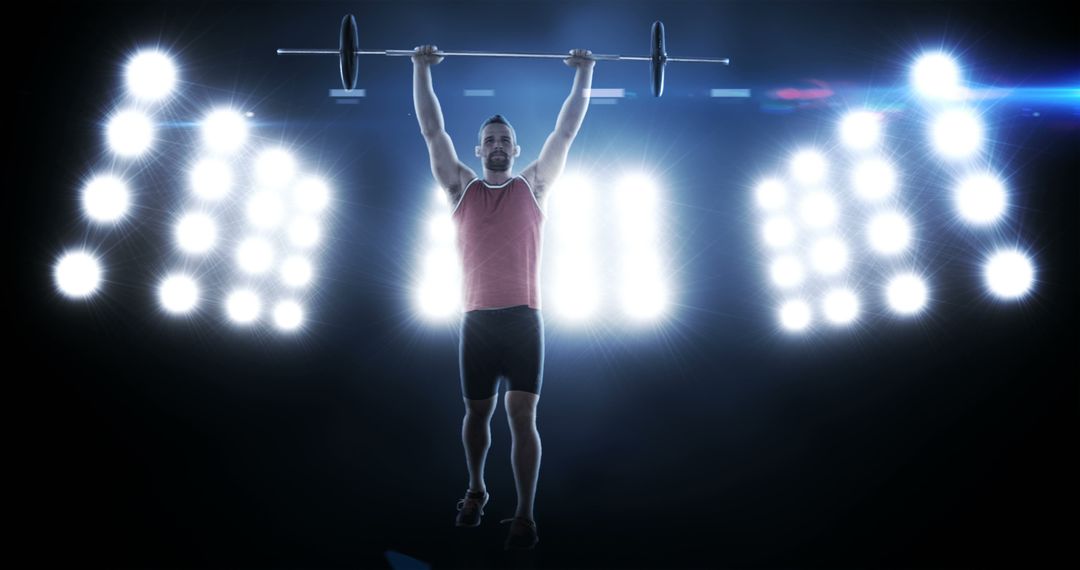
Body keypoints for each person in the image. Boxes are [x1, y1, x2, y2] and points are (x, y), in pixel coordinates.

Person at [411, 43, 594, 550]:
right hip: (476, 320)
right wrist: (420, 68)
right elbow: (432, 129)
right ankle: (475, 489)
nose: (496, 144)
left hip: (524, 319)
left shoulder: (534, 185)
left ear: (515, 150)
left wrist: (585, 74)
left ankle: (525, 515)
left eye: (504, 140)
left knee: (521, 416)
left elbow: (567, 131)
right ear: (478, 149)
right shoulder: (460, 190)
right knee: (476, 414)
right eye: (489, 139)